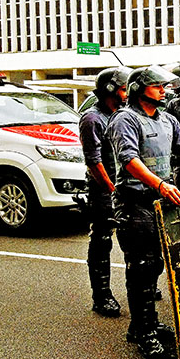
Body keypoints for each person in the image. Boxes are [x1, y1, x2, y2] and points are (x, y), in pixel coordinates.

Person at [106, 65, 180, 359]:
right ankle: (144, 333)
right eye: (157, 86)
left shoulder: (169, 120)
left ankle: (143, 323)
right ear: (137, 89)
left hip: (161, 202)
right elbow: (129, 159)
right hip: (134, 201)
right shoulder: (125, 119)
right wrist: (159, 183)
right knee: (141, 265)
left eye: (164, 86)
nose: (163, 90)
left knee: (156, 264)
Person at [79, 66, 132, 318]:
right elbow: (94, 163)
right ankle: (101, 295)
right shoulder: (92, 118)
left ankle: (142, 287)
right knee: (101, 240)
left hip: (124, 187)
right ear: (110, 90)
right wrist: (113, 191)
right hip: (103, 190)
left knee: (134, 240)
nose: (126, 93)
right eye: (123, 89)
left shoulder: (124, 115)